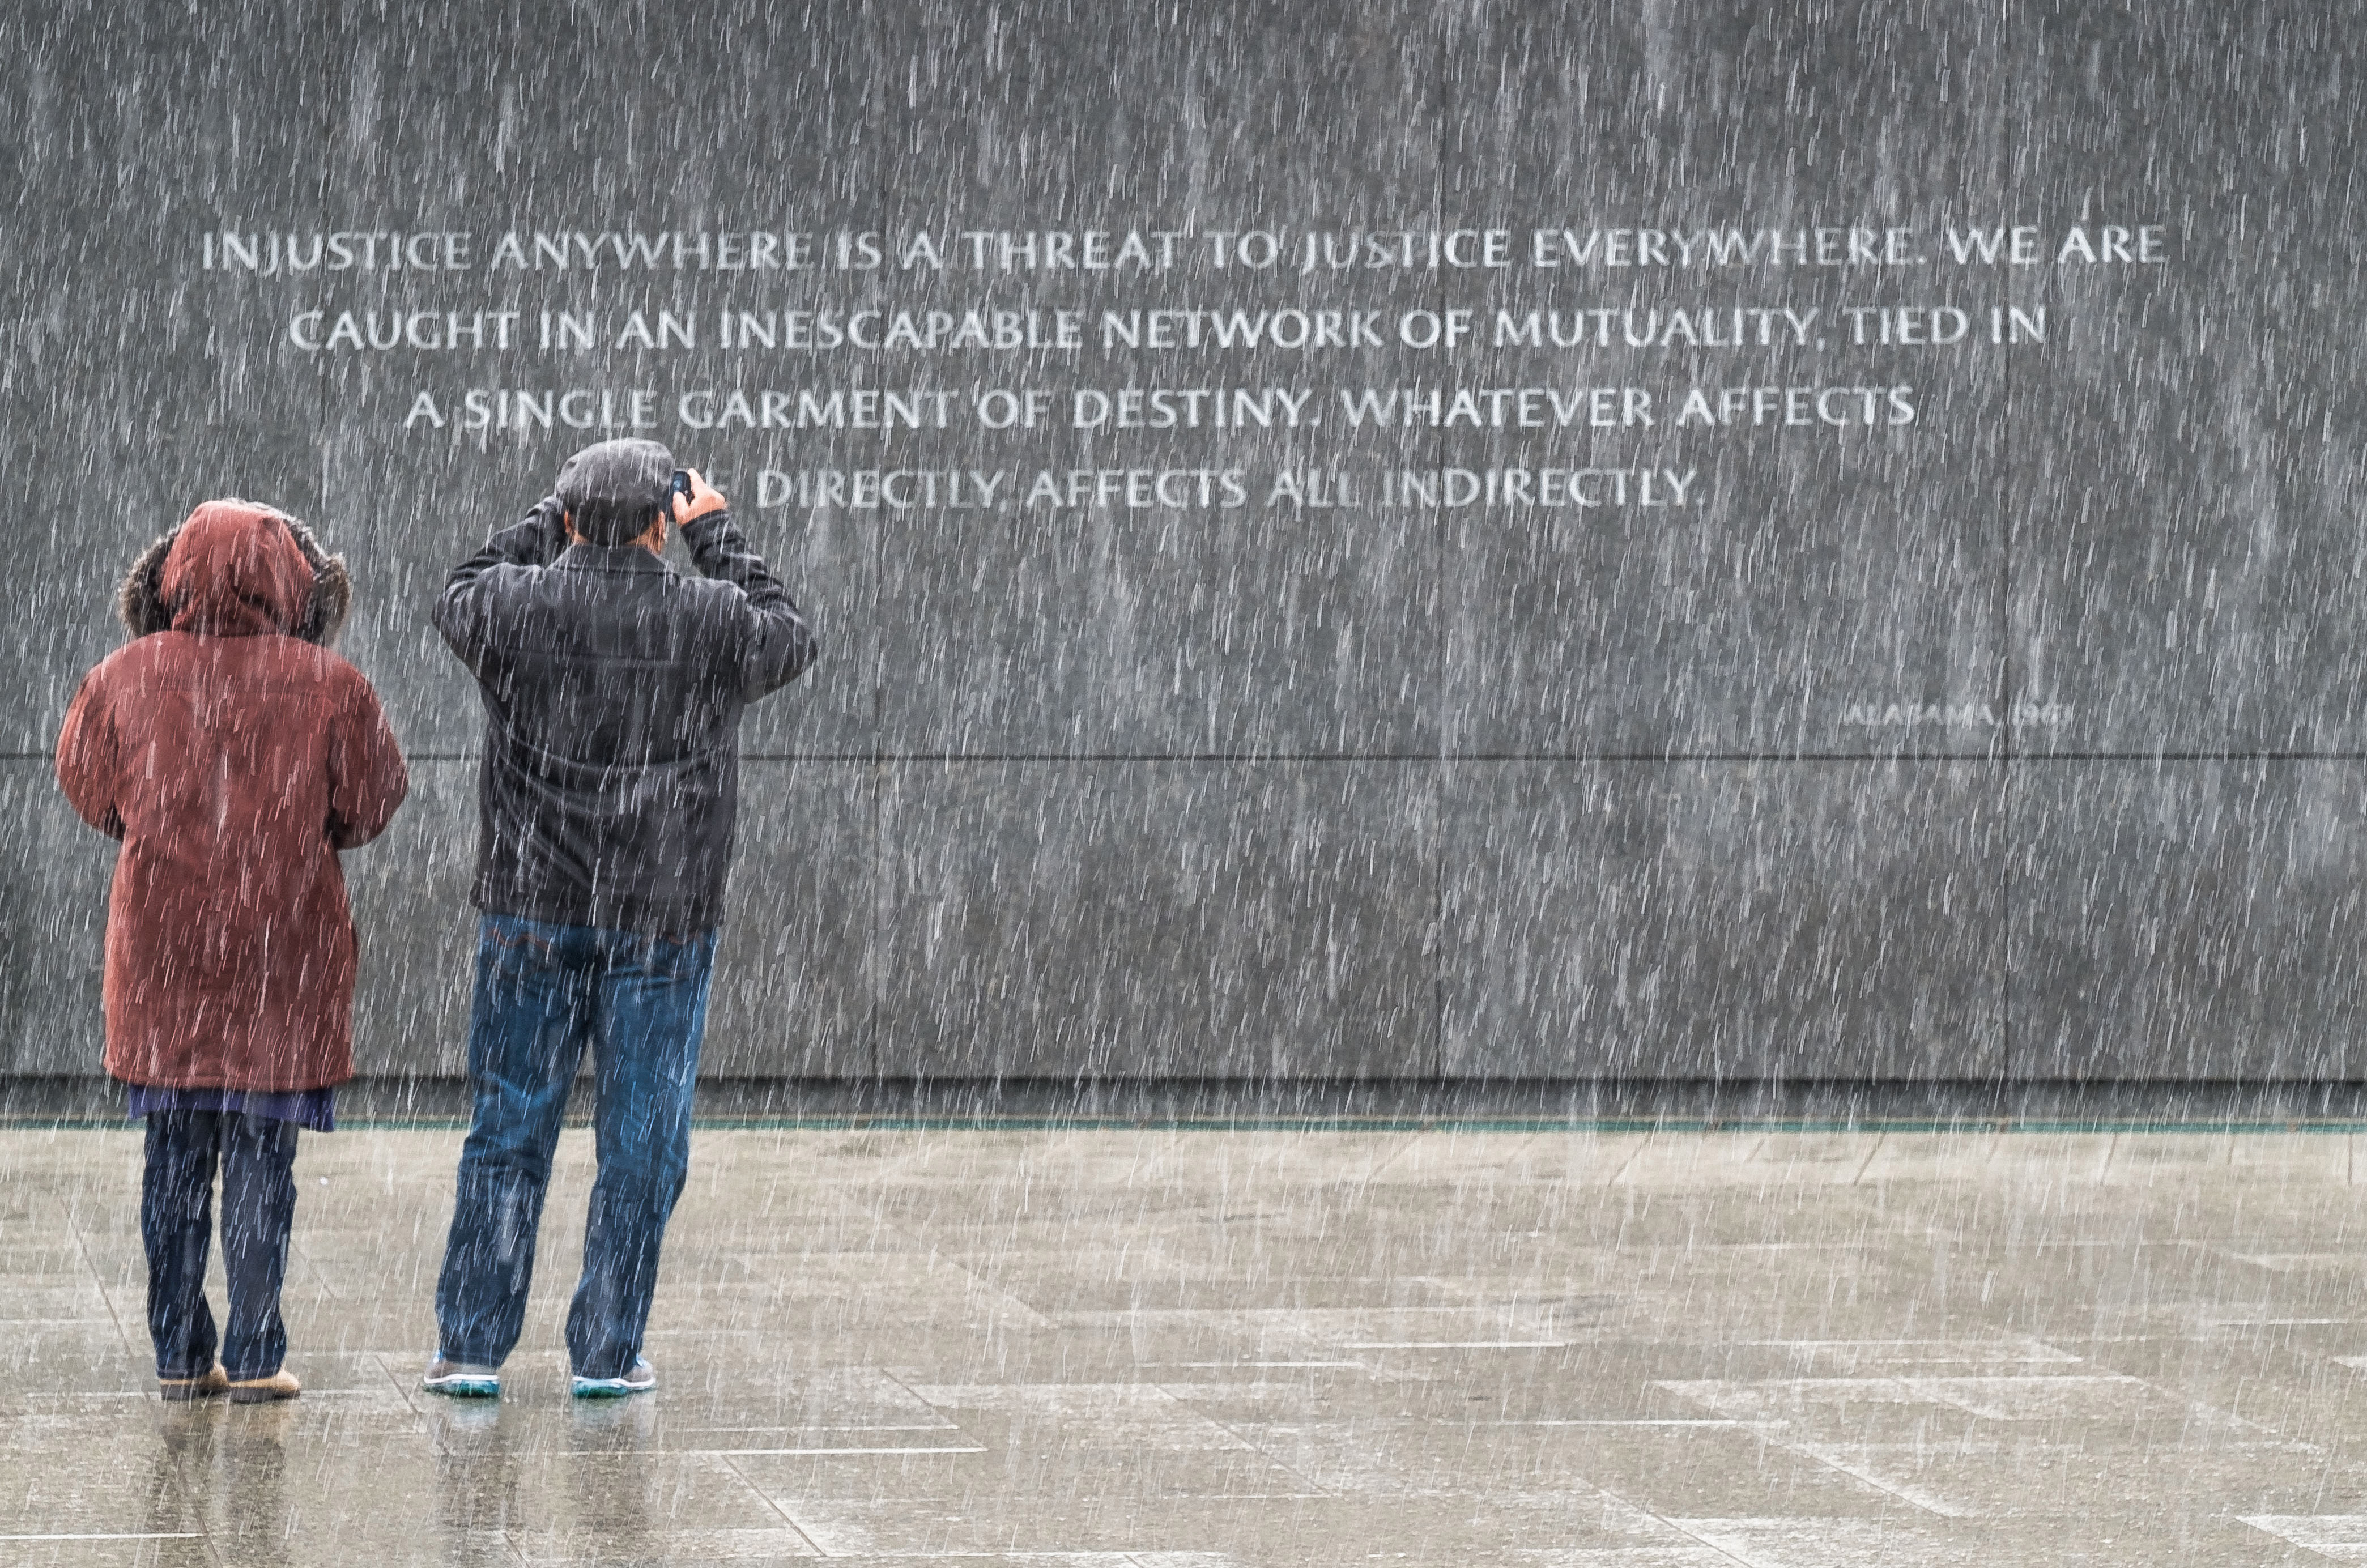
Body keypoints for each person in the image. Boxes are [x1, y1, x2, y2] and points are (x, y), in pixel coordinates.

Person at [423, 438, 816, 1400]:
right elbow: (791, 632)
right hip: (663, 919)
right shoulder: (712, 616)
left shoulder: (511, 610)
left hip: (529, 910)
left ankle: (472, 1346)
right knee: (641, 1138)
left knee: (509, 1131)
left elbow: (459, 590)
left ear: (565, 522)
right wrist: (716, 533)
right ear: (659, 524)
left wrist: (543, 520)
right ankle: (605, 1350)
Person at [56, 500, 408, 1404]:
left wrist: (153, 828)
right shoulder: (332, 684)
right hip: (281, 958)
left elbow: (89, 788)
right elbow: (371, 804)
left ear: (170, 574)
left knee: (173, 1160)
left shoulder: (122, 677)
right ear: (295, 579)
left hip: (162, 958)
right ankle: (256, 1356)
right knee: (263, 1162)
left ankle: (179, 1354)